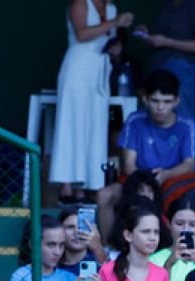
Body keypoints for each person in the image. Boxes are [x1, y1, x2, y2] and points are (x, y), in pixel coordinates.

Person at [95, 69, 195, 238]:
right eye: (155, 100)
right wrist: (145, 184)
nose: (160, 107)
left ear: (177, 101)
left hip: (171, 180)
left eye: (167, 101)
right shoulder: (135, 120)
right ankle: (110, 251)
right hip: (137, 179)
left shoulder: (186, 124)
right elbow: (128, 164)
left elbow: (189, 164)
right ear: (145, 99)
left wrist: (166, 174)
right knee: (104, 195)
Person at [51, 0, 134, 203]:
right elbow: (82, 34)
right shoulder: (80, 3)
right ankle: (67, 184)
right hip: (78, 66)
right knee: (72, 124)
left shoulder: (112, 8)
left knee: (95, 128)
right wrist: (115, 22)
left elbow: (105, 40)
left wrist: (115, 51)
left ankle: (88, 184)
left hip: (100, 70)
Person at [134, 0, 195, 124]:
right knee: (152, 119)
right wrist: (147, 36)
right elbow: (163, 38)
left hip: (182, 70)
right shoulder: (168, 4)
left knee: (183, 117)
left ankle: (189, 144)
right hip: (158, 68)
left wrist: (167, 42)